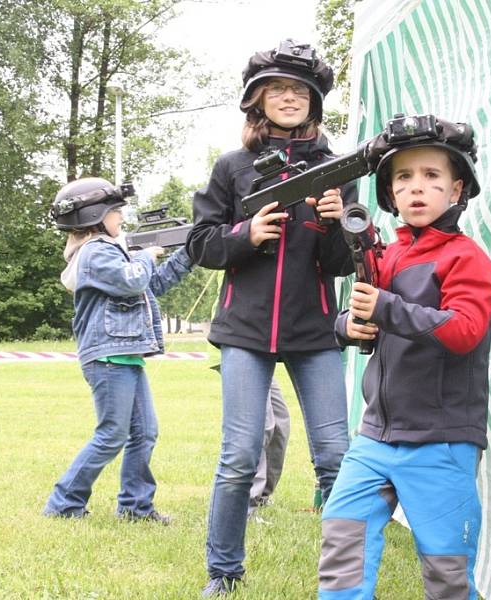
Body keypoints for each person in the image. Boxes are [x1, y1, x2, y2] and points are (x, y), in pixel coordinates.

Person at [186, 39, 355, 596]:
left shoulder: (338, 168)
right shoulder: (232, 167)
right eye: (278, 89)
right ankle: (223, 574)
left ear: (314, 102)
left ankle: (345, 580)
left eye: (299, 91)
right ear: (257, 101)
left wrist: (335, 223)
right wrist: (246, 234)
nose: (289, 98)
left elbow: (342, 264)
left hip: (315, 334)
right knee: (238, 457)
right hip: (246, 334)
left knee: (335, 457)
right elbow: (200, 243)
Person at [318, 119, 491, 600]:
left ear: (457, 189)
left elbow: (464, 331)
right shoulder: (385, 255)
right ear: (389, 193)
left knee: (447, 576)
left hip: (440, 442)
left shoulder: (467, 258)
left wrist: (386, 308)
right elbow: (360, 311)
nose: (417, 187)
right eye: (403, 178)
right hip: (374, 437)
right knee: (342, 545)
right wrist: (348, 325)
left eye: (432, 177)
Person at [43, 177, 192, 523]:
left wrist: (188, 254)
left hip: (124, 354)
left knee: (144, 432)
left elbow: (152, 284)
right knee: (112, 434)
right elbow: (134, 279)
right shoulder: (95, 253)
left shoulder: (114, 252)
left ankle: (135, 508)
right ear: (95, 216)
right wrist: (144, 257)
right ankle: (63, 503)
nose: (122, 217)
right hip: (107, 357)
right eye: (116, 211)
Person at [248, 378, 290, 518]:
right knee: (261, 426)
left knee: (279, 426)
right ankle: (246, 507)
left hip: (268, 361)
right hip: (247, 359)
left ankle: (261, 498)